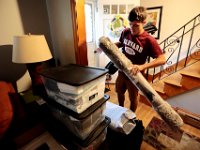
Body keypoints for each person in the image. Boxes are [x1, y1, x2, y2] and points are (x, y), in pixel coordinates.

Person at [97, 6, 166, 112]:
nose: (132, 28)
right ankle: (120, 109)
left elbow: (162, 59)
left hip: (135, 75)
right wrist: (106, 47)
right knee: (119, 92)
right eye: (130, 24)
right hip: (122, 71)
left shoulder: (149, 40)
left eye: (136, 25)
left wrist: (142, 66)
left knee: (133, 98)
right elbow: (121, 43)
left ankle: (132, 116)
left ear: (143, 22)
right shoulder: (126, 32)